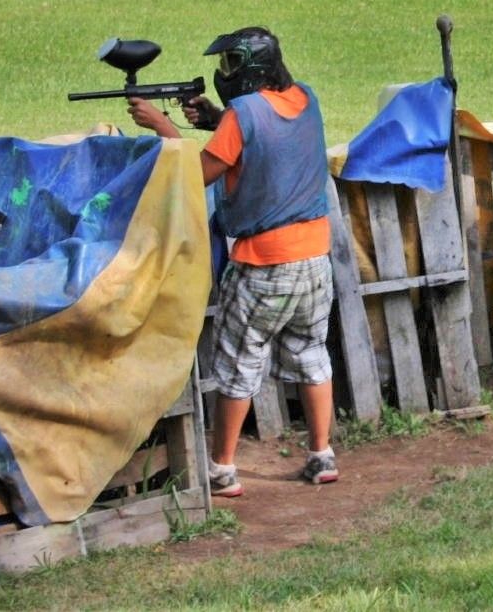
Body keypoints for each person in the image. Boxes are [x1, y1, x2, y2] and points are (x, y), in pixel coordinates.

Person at [128, 26, 339, 492]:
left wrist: (163, 128)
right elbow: (269, 142)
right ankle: (322, 455)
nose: (223, 74)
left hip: (264, 263)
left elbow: (198, 173)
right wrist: (215, 121)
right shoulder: (306, 98)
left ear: (249, 68)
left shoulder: (243, 113)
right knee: (311, 354)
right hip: (315, 258)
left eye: (229, 65)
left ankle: (222, 469)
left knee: (239, 364)